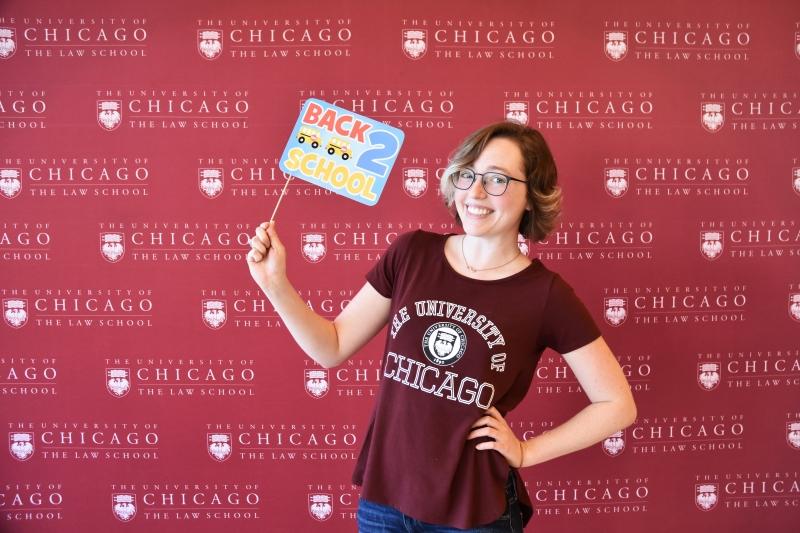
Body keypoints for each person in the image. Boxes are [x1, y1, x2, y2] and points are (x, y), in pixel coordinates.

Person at [247, 121, 637, 532]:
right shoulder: (411, 253)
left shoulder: (545, 294)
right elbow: (332, 346)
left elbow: (617, 405)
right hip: (385, 504)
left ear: (532, 197)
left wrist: (525, 452)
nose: (476, 192)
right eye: (468, 174)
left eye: (498, 179)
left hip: (472, 513)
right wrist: (275, 285)